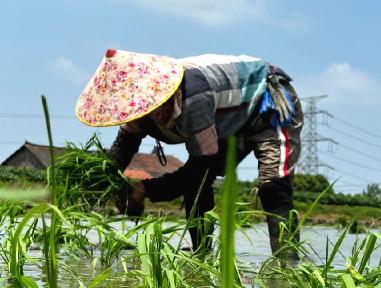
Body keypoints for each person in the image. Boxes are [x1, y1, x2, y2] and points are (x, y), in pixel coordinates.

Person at [75, 49, 303, 256]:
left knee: (273, 187)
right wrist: (93, 190)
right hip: (226, 118)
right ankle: (201, 252)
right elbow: (117, 156)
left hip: (269, 102)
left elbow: (197, 171)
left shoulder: (192, 98)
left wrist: (145, 189)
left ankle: (288, 263)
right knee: (199, 184)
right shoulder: (137, 107)